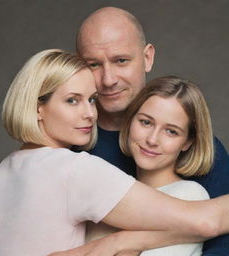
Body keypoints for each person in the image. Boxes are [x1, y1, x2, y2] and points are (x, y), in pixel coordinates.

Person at [0, 49, 229, 256]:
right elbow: (207, 221)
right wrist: (115, 245)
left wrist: (117, 243)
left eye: (92, 99)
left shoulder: (1, 173)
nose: (90, 113)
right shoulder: (73, 170)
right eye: (72, 100)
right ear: (38, 108)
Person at [75, 6, 229, 255]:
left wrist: (118, 243)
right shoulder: (71, 148)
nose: (108, 79)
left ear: (147, 58)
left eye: (121, 60)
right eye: (93, 64)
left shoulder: (203, 154)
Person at [86, 76, 212, 255]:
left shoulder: (189, 196)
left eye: (171, 131)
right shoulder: (114, 190)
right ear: (130, 122)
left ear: (187, 142)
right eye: (146, 122)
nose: (152, 140)